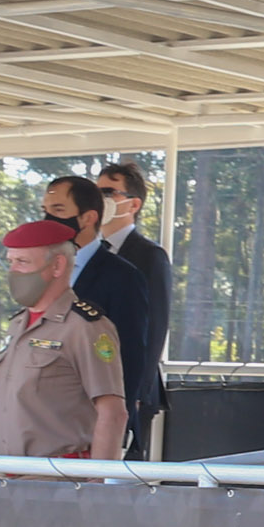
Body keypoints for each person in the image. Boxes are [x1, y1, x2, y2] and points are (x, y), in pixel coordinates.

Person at [0, 220, 128, 462]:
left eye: (23, 262)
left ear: (57, 265)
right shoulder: (18, 324)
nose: (13, 271)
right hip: (10, 475)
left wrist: (100, 483)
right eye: (11, 262)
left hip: (61, 478)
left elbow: (112, 413)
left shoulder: (84, 327)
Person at [40, 175, 154, 432]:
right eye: (45, 211)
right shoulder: (41, 270)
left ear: (88, 218)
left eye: (58, 210)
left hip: (88, 418)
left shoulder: (122, 276)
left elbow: (131, 354)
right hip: (42, 414)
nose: (48, 219)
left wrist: (115, 424)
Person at [97, 160, 174, 455]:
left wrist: (136, 393)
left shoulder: (149, 256)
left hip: (130, 387)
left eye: (109, 192)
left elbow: (154, 327)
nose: (101, 199)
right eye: (96, 192)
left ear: (133, 204)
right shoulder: (86, 251)